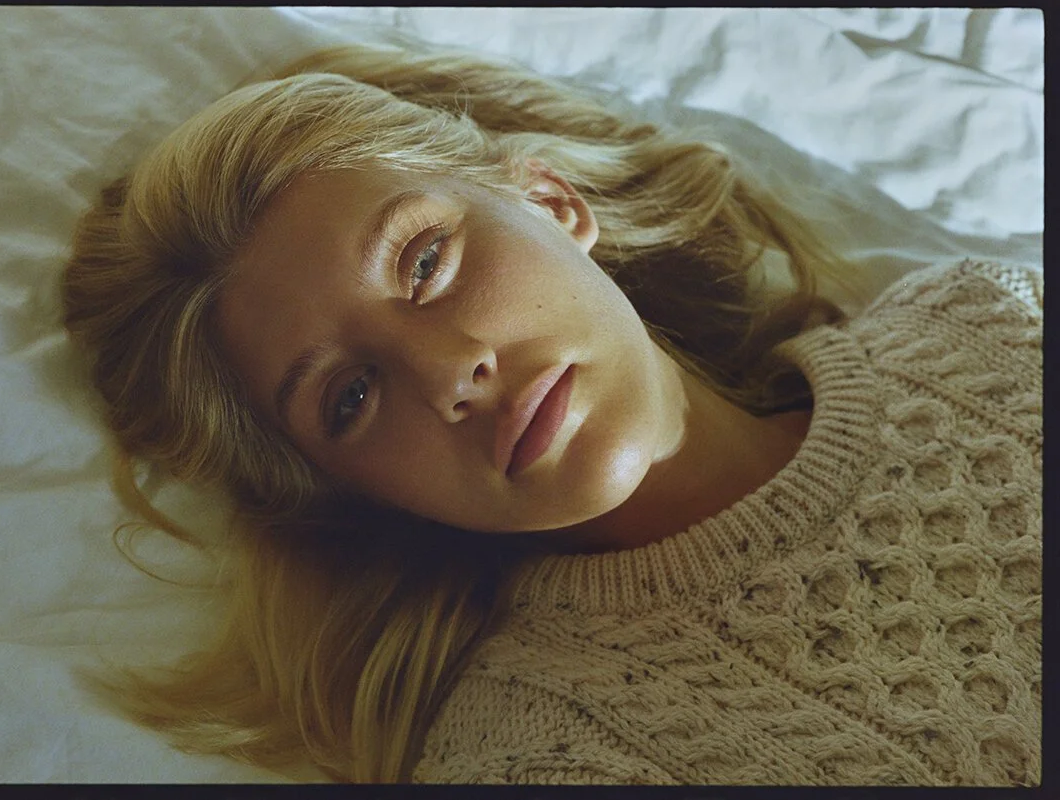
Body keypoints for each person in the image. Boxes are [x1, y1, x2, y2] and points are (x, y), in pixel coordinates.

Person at [61, 42, 1041, 785]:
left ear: (550, 200)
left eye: (425, 260)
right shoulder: (536, 756)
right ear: (348, 488)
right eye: (350, 397)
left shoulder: (982, 324)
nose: (451, 372)